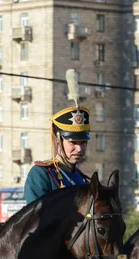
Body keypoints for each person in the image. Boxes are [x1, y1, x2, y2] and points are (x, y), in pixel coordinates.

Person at [24, 70, 90, 204]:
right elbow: (37, 219)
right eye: (73, 142)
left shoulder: (82, 179)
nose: (79, 149)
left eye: (83, 143)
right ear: (58, 141)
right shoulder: (42, 174)